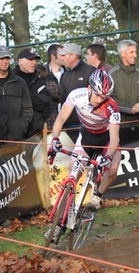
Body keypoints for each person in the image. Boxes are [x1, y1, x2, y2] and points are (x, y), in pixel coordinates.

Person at [50, 69, 121, 210]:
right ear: (89, 88)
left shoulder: (112, 107)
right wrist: (55, 138)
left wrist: (108, 156)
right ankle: (68, 208)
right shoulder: (76, 95)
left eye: (104, 97)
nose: (99, 100)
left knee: (113, 169)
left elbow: (114, 139)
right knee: (74, 169)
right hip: (87, 136)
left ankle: (97, 196)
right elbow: (61, 119)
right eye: (97, 95)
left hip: (105, 139)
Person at [0, 45, 34, 141]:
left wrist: (20, 128)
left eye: (7, 58)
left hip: (16, 137)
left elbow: (27, 109)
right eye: (2, 58)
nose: (5, 61)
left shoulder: (20, 83)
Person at [59, 43, 96, 143]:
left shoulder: (91, 71)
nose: (61, 58)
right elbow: (62, 99)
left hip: (87, 125)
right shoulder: (65, 75)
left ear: (73, 56)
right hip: (68, 125)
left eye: (64, 55)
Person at [109, 40, 139, 126]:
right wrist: (130, 108)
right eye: (132, 52)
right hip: (119, 125)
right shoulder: (111, 75)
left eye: (135, 52)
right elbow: (110, 100)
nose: (135, 55)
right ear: (122, 54)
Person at [14, 48, 52, 138]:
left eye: (35, 60)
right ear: (20, 61)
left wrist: (24, 99)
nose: (34, 62)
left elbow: (45, 100)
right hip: (14, 133)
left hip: (34, 133)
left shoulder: (39, 81)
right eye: (30, 59)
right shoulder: (11, 80)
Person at [45, 44, 64, 130]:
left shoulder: (70, 74)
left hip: (69, 124)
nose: (64, 57)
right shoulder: (41, 75)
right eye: (62, 55)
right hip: (49, 124)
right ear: (53, 57)